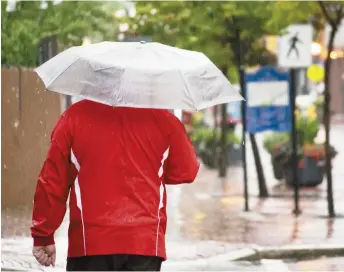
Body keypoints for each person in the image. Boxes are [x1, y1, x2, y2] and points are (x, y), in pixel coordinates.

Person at [31, 100, 200, 271]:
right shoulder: (164, 119)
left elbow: (52, 182)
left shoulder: (75, 116)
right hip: (144, 243)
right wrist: (150, 171)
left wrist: (43, 236)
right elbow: (187, 171)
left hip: (89, 243)